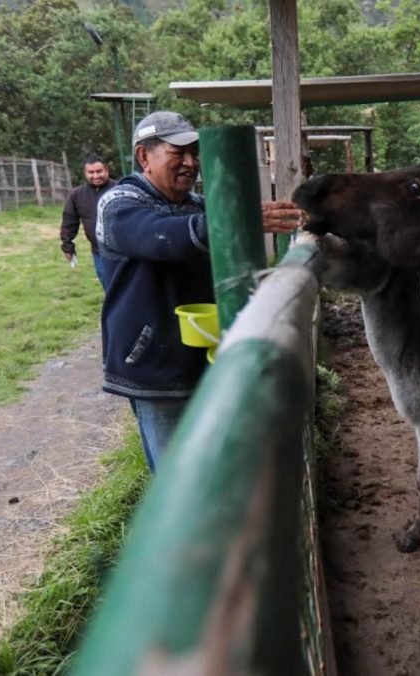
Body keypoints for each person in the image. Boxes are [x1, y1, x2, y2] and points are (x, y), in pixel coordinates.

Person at [96, 111, 300, 473]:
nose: (191, 163)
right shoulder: (119, 204)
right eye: (178, 153)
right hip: (153, 361)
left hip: (202, 354)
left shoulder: (197, 205)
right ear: (145, 156)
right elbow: (157, 236)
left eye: (195, 153)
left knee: (214, 460)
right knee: (178, 474)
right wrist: (233, 219)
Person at [60, 154, 115, 290]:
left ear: (106, 170)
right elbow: (69, 221)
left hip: (126, 251)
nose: (96, 176)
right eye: (91, 172)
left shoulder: (121, 188)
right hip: (99, 253)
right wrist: (68, 246)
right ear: (85, 173)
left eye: (99, 171)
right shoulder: (77, 195)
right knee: (109, 287)